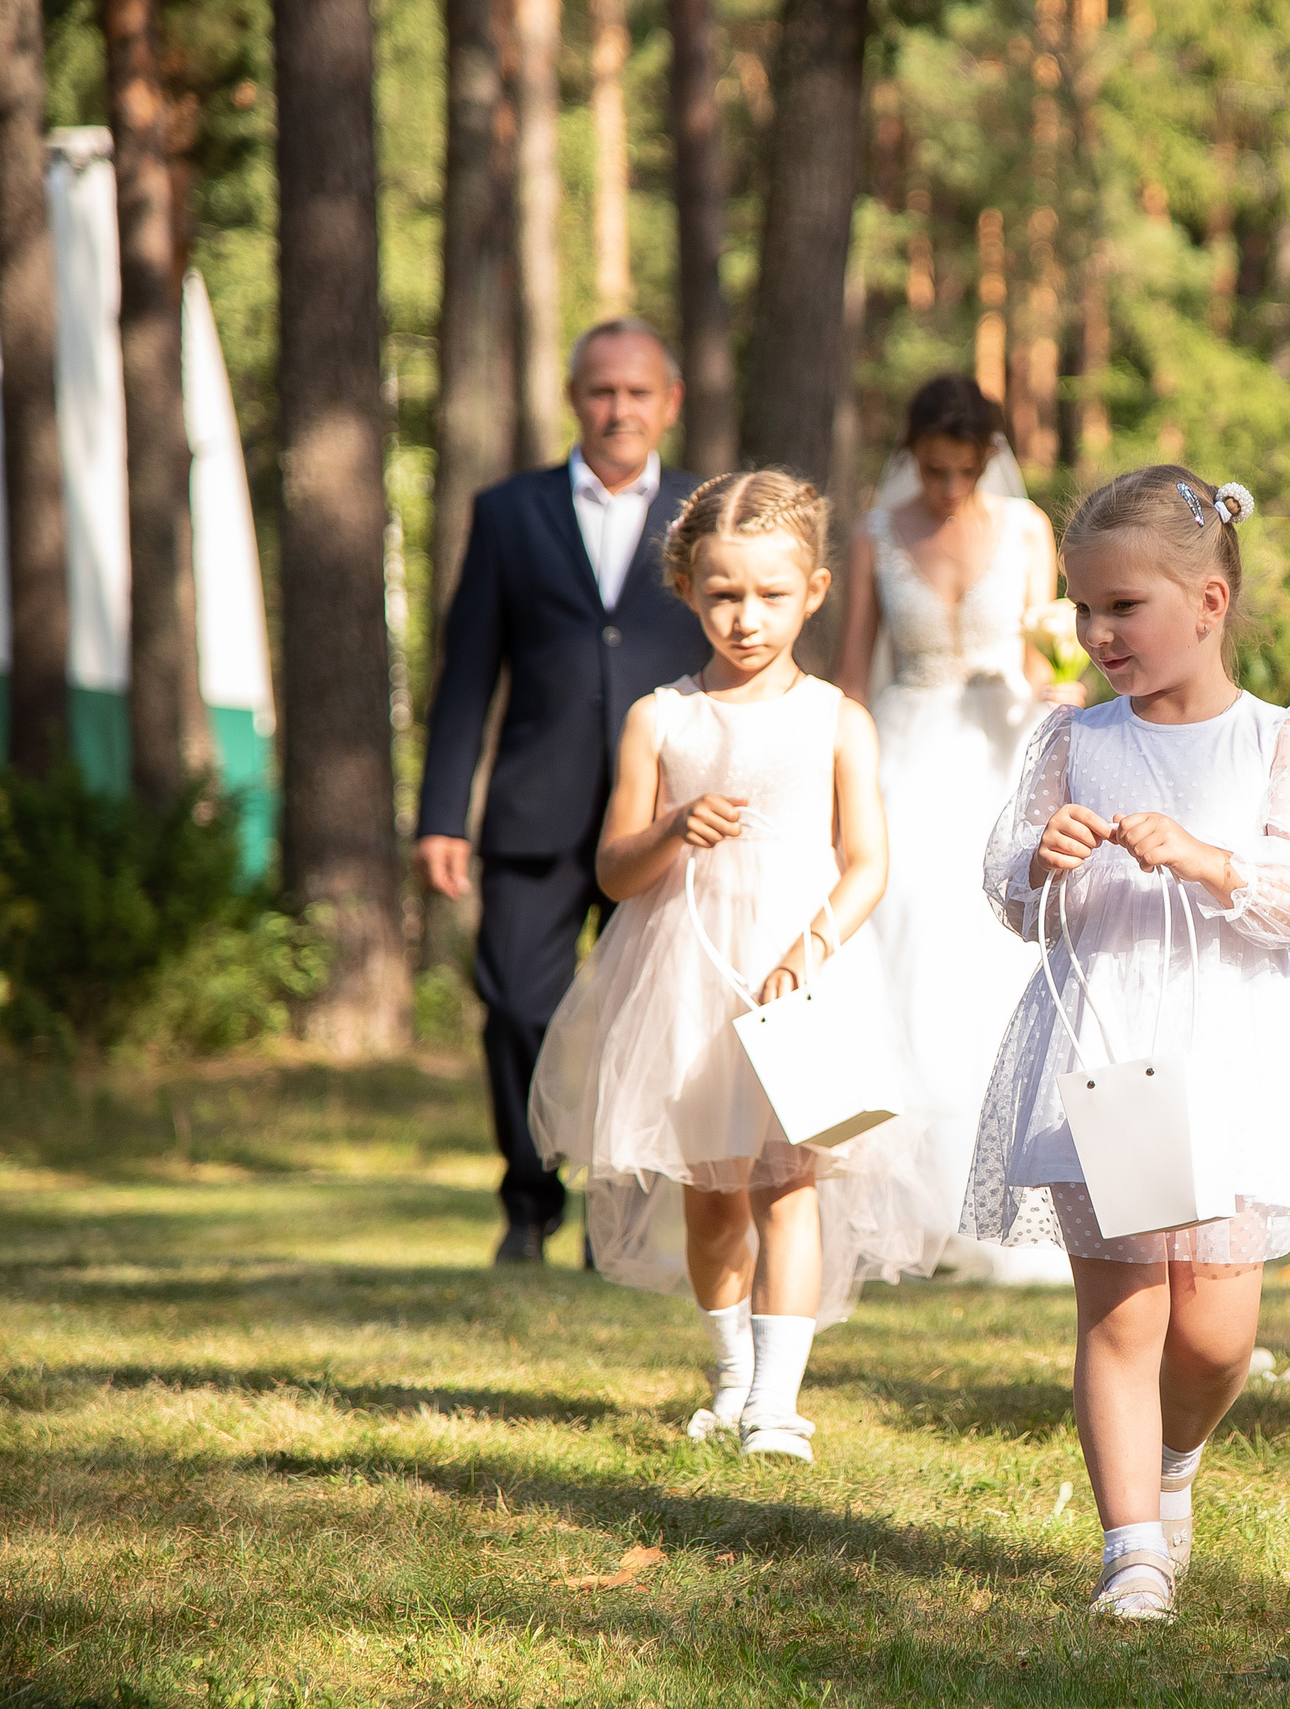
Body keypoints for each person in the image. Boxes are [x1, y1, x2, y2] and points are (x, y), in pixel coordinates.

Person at [966, 465, 1290, 1620]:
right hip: (1110, 1041)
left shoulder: (1284, 739)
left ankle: (1178, 1456)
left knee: (1214, 1331)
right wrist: (1041, 861)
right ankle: (1130, 1544)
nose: (1097, 634)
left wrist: (1207, 856)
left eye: (1122, 608)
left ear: (1209, 603)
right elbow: (1006, 886)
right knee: (1126, 1308)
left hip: (1232, 1049)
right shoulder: (1073, 738)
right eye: (1084, 610)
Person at [529, 470, 942, 1463]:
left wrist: (812, 944)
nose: (744, 617)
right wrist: (672, 826)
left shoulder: (837, 716)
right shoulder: (659, 719)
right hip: (686, 974)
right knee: (712, 1195)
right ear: (685, 587)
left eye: (767, 594)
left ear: (814, 590)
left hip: (801, 971)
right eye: (721, 593)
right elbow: (615, 869)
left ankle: (778, 1403)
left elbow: (868, 860)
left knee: (793, 1179)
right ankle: (732, 1372)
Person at [416, 318, 708, 1265]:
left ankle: (613, 1215)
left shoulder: (711, 513)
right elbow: (467, 673)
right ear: (575, 398)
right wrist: (440, 815)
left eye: (637, 392)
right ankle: (528, 1201)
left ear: (668, 402)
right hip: (532, 811)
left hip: (664, 810)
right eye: (600, 391)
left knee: (644, 1020)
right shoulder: (509, 512)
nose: (618, 408)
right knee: (517, 1007)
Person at [836, 376, 1079, 1286]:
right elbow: (854, 667)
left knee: (987, 957)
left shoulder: (1026, 531)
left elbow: (1040, 651)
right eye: (933, 471)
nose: (946, 489)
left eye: (964, 471)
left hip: (994, 753)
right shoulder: (874, 536)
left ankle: (994, 1197)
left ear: (987, 460)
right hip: (903, 753)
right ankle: (899, 1206)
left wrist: (1056, 686)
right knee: (902, 947)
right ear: (910, 455)